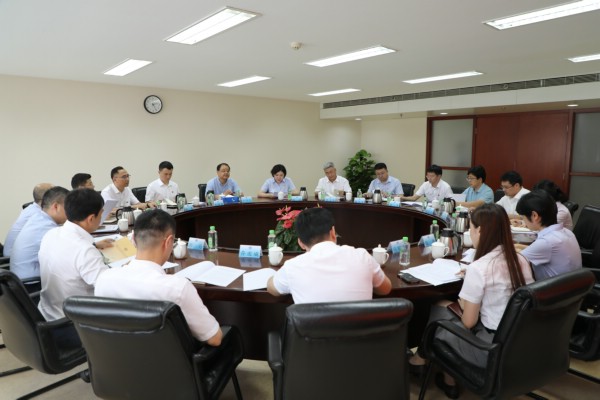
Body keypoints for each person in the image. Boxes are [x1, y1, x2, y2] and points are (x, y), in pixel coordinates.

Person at [409, 204, 534, 397]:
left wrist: (463, 301)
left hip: (489, 351)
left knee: (439, 317)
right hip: (521, 345)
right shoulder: (521, 260)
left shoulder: (480, 268)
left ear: (480, 230)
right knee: (443, 306)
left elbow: (469, 322)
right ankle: (441, 375)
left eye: (471, 228)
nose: (470, 232)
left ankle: (424, 363)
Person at [95, 209, 222, 346]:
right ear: (168, 242)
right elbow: (214, 339)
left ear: (133, 240)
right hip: (167, 359)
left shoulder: (103, 279)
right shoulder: (178, 288)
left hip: (116, 357)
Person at [267, 207, 391, 303]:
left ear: (301, 243)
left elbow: (272, 288)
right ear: (333, 232)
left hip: (313, 330)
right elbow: (385, 289)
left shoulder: (292, 266)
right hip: (361, 330)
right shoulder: (362, 256)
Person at [38, 189, 112, 321]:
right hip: (74, 321)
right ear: (91, 218)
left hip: (48, 312)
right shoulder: (85, 251)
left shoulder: (51, 234)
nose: (101, 219)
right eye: (101, 214)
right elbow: (108, 290)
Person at [10, 187, 69, 288]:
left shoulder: (38, 218)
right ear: (56, 206)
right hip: (32, 284)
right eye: (68, 207)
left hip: (19, 280)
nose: (70, 212)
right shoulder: (47, 228)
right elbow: (69, 253)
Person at [516, 190, 581, 280]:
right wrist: (517, 246)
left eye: (523, 217)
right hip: (573, 286)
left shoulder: (546, 242)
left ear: (534, 216)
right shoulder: (567, 232)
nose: (524, 221)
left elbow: (514, 262)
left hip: (552, 288)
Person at [3, 183, 53, 257]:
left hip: (13, 255)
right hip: (11, 258)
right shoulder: (37, 215)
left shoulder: (30, 209)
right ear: (47, 198)